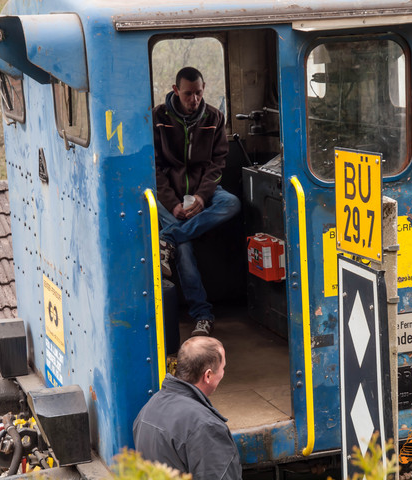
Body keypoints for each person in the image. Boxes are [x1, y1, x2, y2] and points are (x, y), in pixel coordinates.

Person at [153, 67, 241, 337]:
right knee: (187, 247)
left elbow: (217, 165)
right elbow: (154, 167)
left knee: (232, 203)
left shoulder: (214, 117)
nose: (194, 99)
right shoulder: (158, 118)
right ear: (175, 90)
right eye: (188, 93)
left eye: (199, 93)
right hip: (168, 195)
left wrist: (202, 197)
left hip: (204, 190)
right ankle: (203, 315)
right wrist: (172, 204)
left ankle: (168, 237)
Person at [133, 337, 241, 480]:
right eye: (223, 368)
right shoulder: (206, 426)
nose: (223, 373)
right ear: (208, 375)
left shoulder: (149, 408)